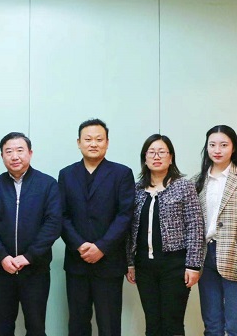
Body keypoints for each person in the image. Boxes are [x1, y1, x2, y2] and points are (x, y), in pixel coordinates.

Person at [58, 118, 135, 336]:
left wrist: (101, 247)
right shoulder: (66, 174)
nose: (93, 144)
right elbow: (61, 215)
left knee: (109, 324)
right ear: (79, 143)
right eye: (88, 139)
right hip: (77, 261)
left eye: (99, 139)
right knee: (77, 323)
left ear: (107, 143)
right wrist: (79, 245)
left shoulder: (121, 173)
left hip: (109, 261)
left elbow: (125, 216)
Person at [0, 132, 62, 336]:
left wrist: (29, 256)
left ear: (30, 153)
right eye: (9, 151)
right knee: (2, 329)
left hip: (36, 270)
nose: (15, 156)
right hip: (2, 271)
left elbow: (53, 224)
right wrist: (2, 257)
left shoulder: (47, 184)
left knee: (36, 328)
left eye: (20, 150)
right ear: (2, 156)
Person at [125, 134, 204, 336]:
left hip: (174, 265)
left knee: (172, 323)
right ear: (144, 158)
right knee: (152, 323)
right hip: (144, 266)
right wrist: (130, 263)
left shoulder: (183, 186)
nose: (156, 156)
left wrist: (193, 265)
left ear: (171, 157)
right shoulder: (136, 189)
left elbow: (195, 226)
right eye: (151, 152)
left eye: (162, 152)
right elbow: (130, 229)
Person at [194, 125, 237, 336]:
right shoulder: (197, 181)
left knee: (235, 326)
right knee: (212, 325)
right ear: (206, 148)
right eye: (212, 145)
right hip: (205, 258)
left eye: (224, 145)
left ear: (233, 148)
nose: (217, 150)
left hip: (236, 258)